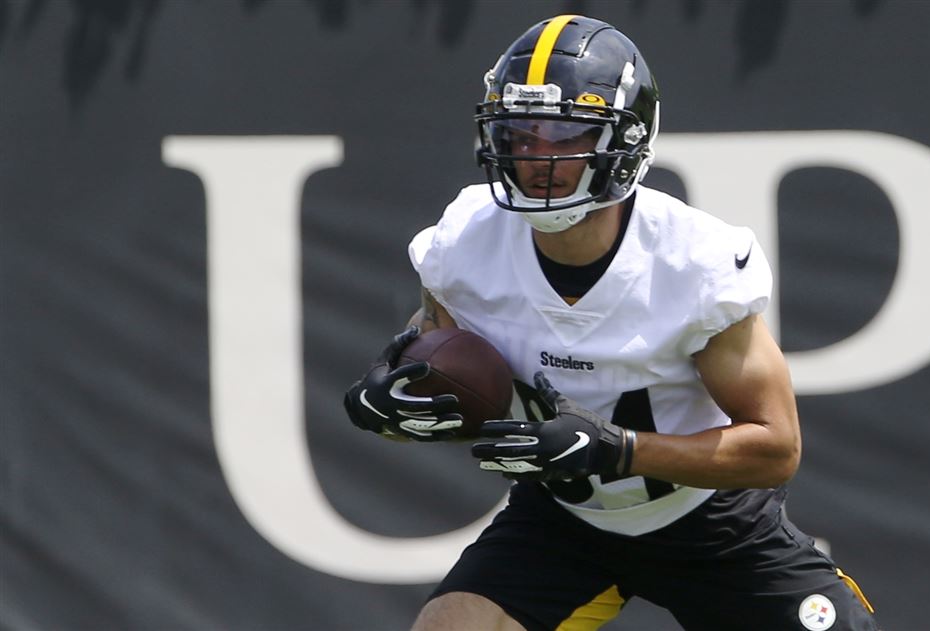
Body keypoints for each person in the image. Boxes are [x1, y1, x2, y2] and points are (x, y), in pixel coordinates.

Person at [343, 14, 880, 631]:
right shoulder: (464, 242)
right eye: (519, 133)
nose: (535, 158)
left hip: (713, 524)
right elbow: (440, 350)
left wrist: (618, 450)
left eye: (560, 135)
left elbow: (776, 448)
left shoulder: (693, 262)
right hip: (562, 521)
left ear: (623, 144)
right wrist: (394, 398)